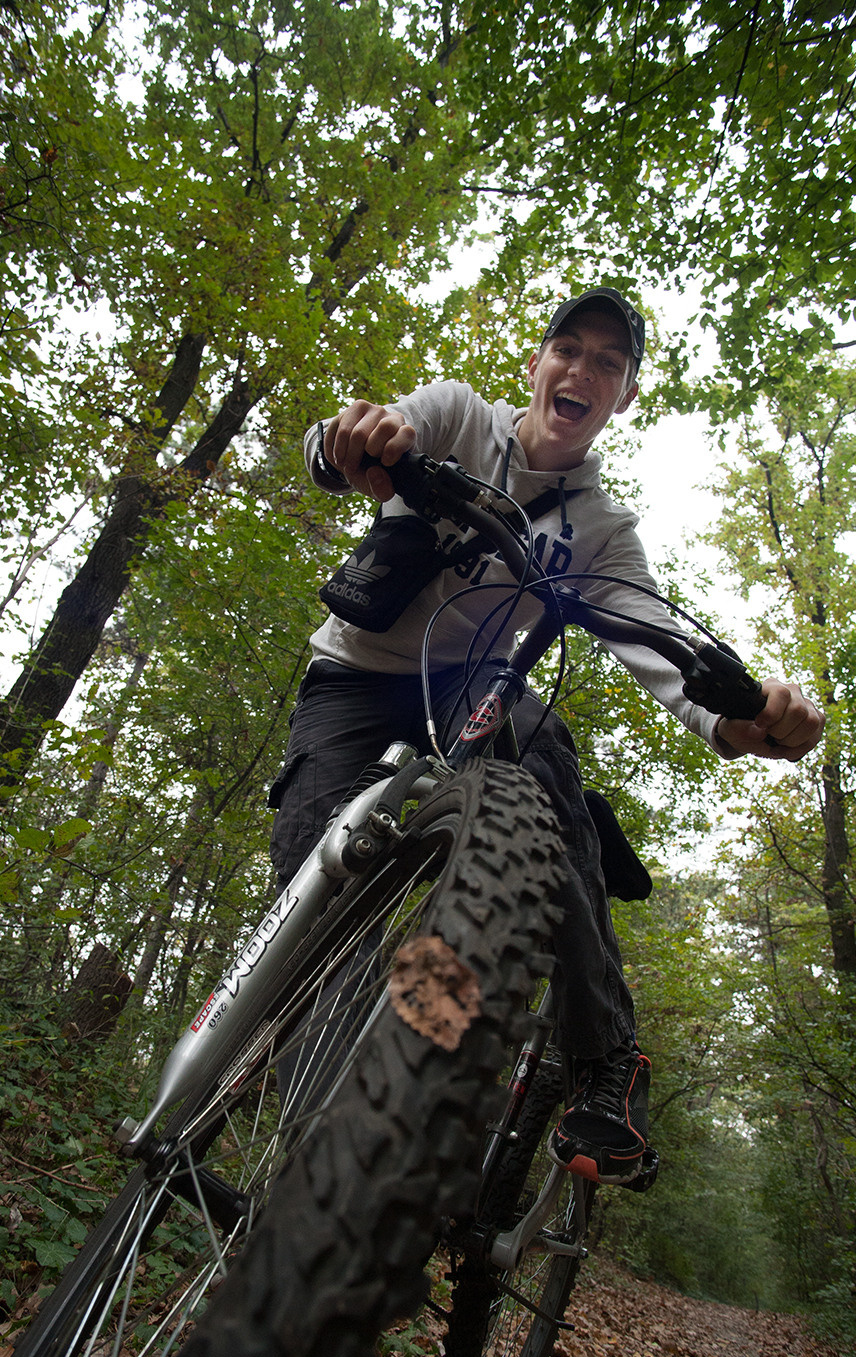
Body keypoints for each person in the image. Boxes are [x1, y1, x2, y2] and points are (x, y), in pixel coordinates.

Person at [269, 287, 825, 1185]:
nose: (583, 370)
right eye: (570, 348)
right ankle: (318, 1177)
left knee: (534, 749)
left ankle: (603, 1054)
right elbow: (354, 439)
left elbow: (664, 640)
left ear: (625, 397)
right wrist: (349, 442)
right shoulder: (456, 417)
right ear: (537, 364)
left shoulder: (604, 532)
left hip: (473, 695)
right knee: (316, 890)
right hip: (358, 679)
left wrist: (742, 713)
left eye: (609, 363)